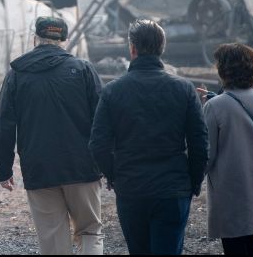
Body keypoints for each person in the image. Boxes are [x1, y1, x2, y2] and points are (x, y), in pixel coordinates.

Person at [89, 19, 208, 255]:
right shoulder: (184, 88)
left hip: (131, 188)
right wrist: (193, 182)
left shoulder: (114, 90)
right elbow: (200, 143)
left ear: (132, 48)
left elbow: (98, 144)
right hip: (173, 188)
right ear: (162, 47)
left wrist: (114, 176)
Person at [0, 16, 104, 255]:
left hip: (39, 169)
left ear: (35, 39)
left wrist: (4, 169)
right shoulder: (83, 70)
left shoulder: (17, 74)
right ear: (65, 40)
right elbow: (102, 122)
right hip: (82, 167)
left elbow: (3, 125)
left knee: (52, 236)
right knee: (90, 231)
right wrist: (108, 164)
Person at [200, 43, 253, 255]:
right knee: (252, 244)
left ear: (224, 70)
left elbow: (208, 155)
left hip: (232, 189)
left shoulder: (214, 107)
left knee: (234, 248)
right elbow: (240, 119)